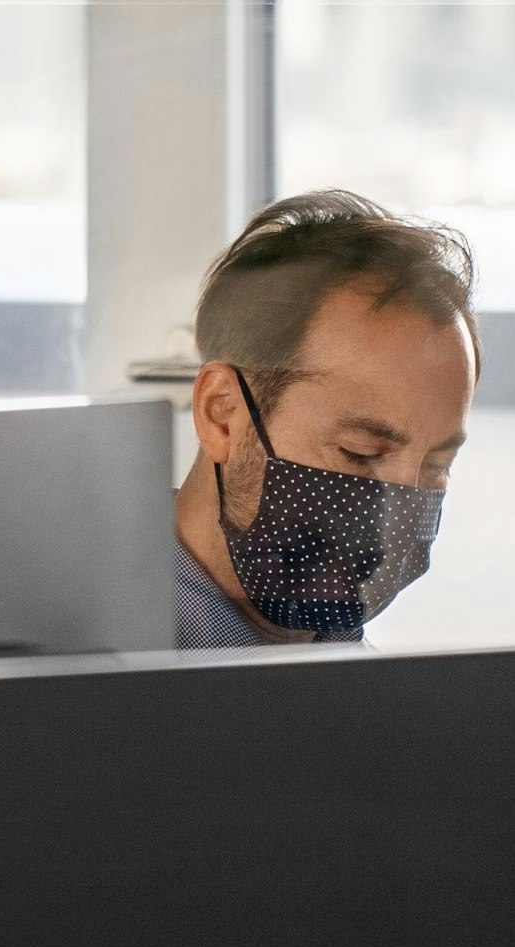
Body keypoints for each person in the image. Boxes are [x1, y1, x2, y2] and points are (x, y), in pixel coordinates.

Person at [172, 191, 479, 647]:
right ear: (222, 414)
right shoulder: (68, 675)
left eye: (435, 466)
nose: (395, 511)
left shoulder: (369, 688)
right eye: (361, 452)